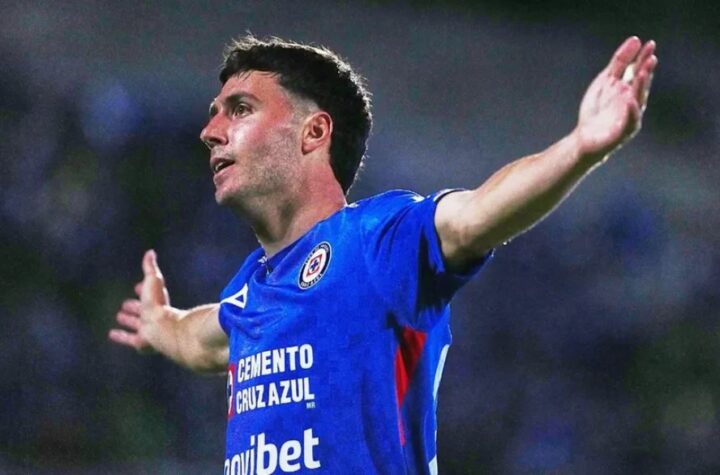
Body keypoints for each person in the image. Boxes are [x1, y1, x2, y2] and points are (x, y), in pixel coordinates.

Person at [109, 35, 657, 474]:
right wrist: (159, 322)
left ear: (313, 132)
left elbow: (475, 216)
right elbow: (199, 340)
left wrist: (580, 147)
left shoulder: (374, 240)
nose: (210, 132)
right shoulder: (248, 295)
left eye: (240, 109)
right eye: (215, 114)